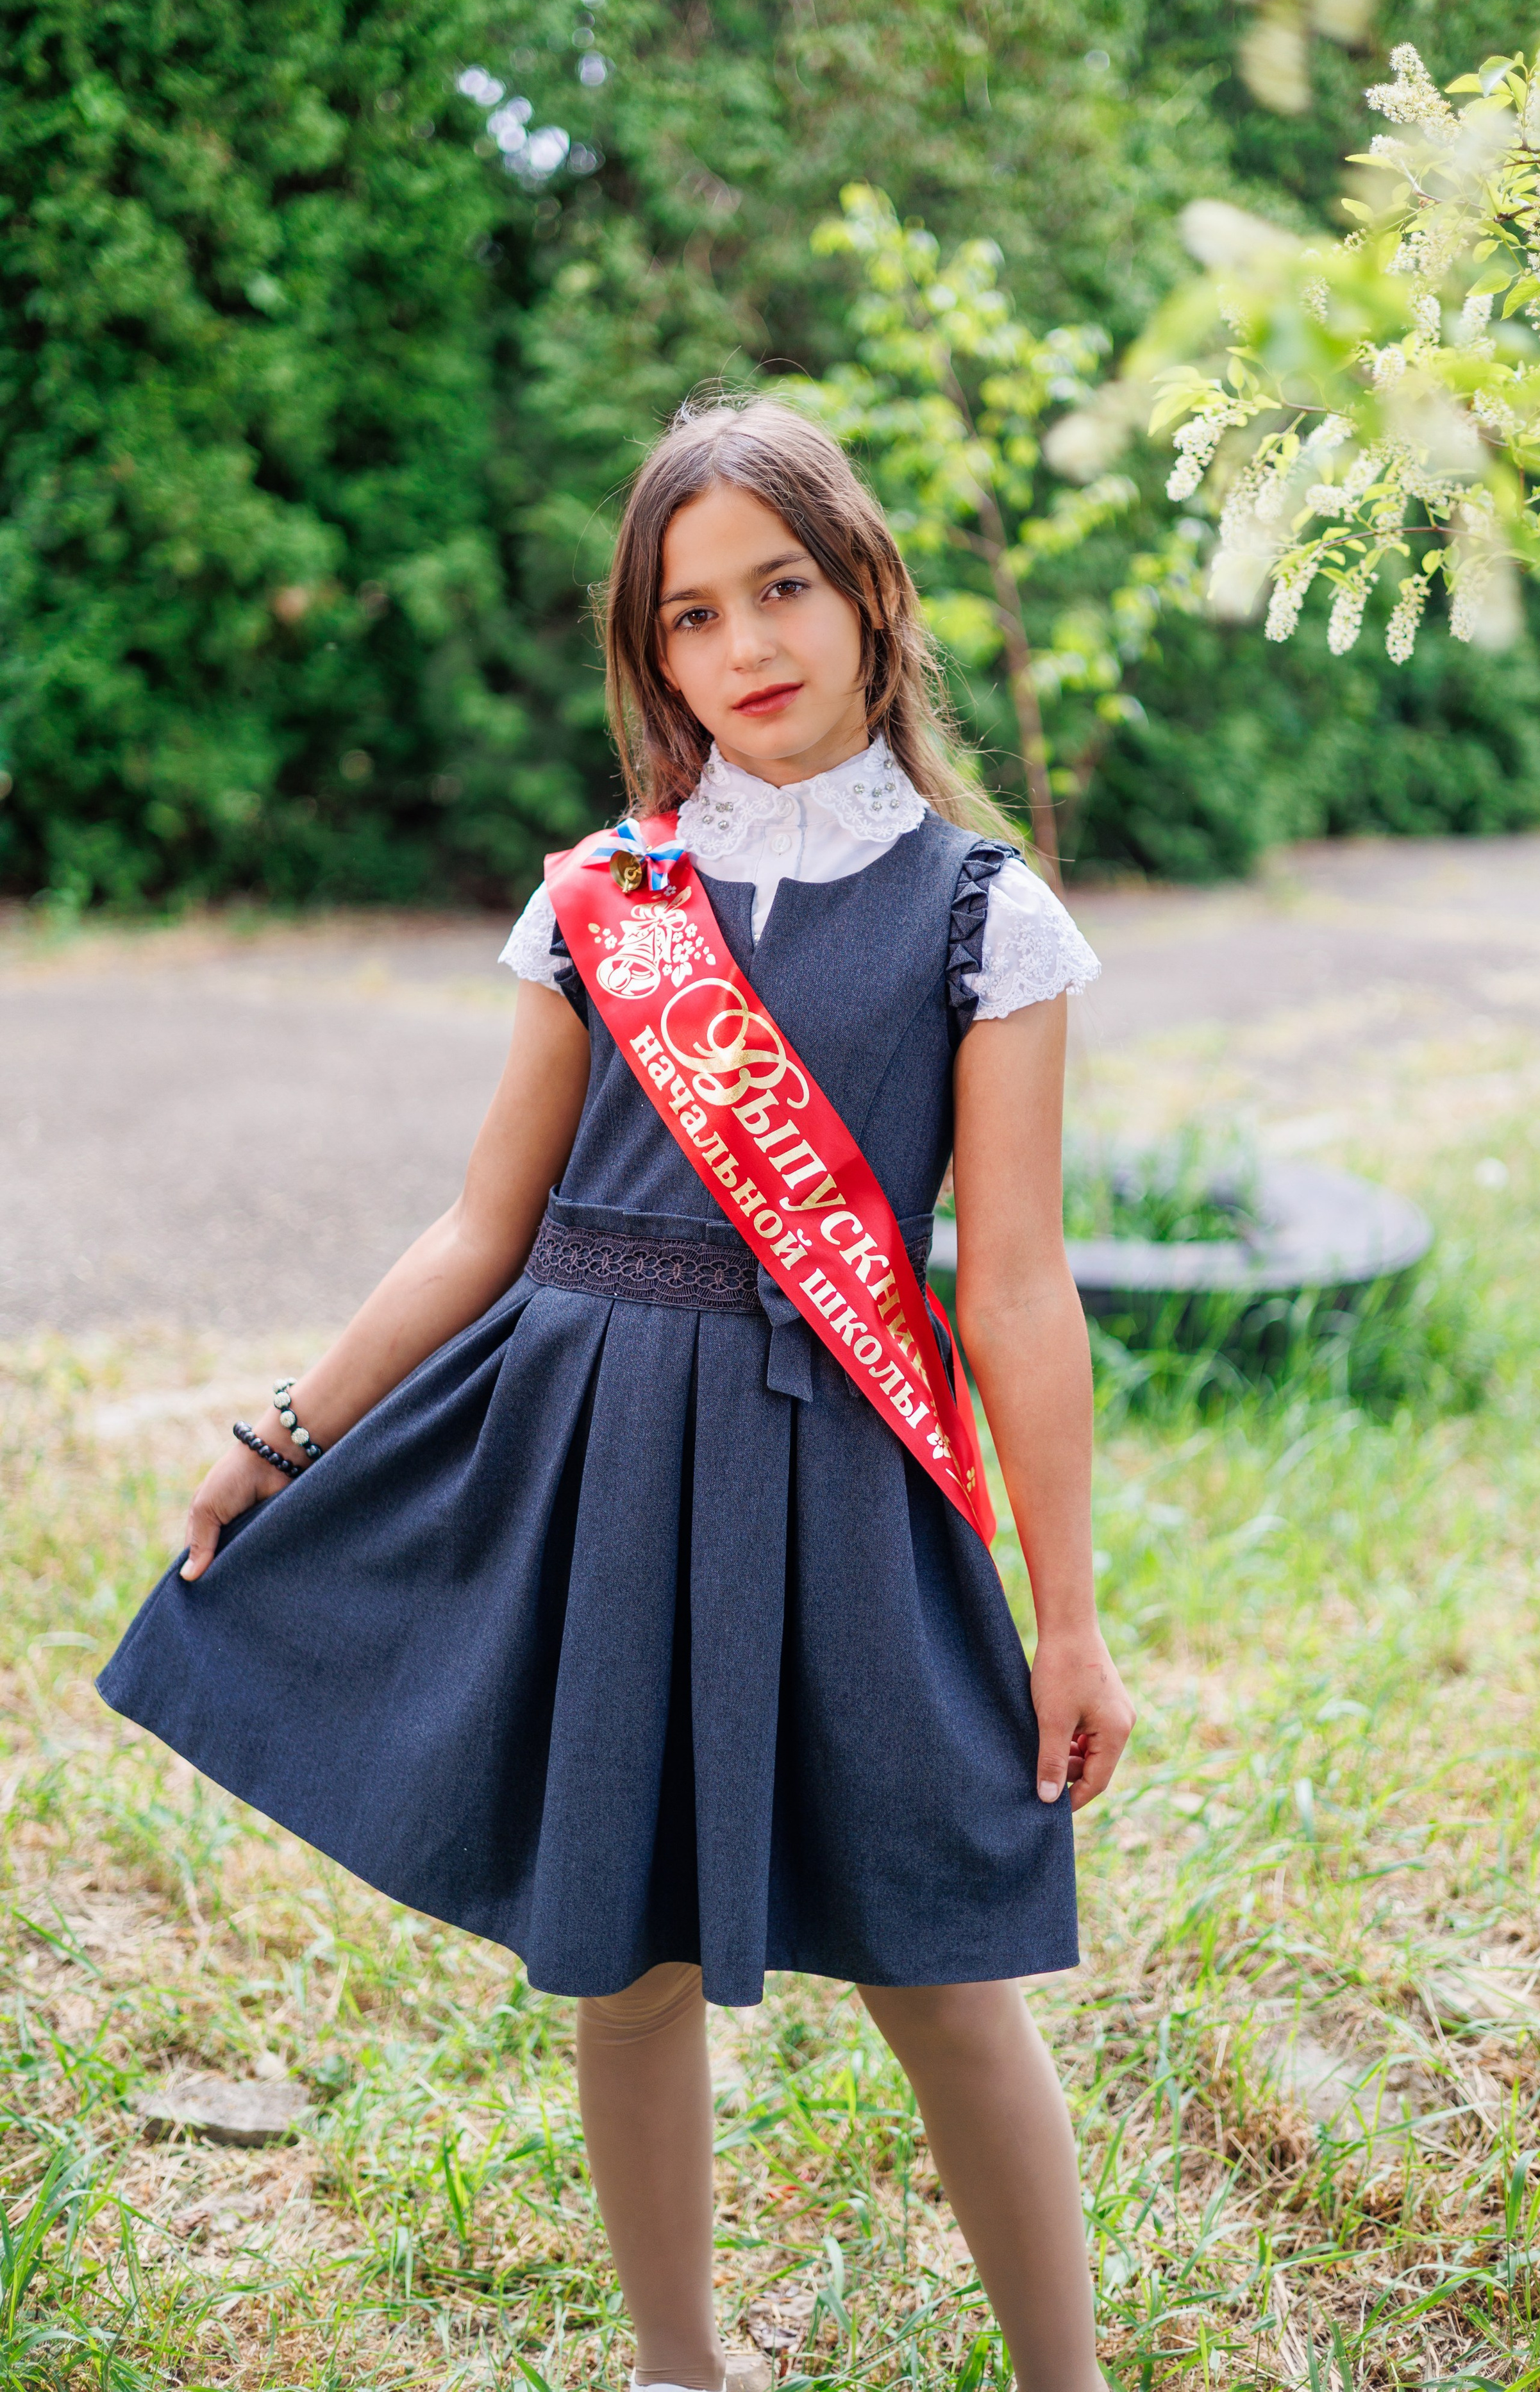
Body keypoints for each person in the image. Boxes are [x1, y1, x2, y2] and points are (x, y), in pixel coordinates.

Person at [99, 398, 1135, 2392]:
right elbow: (482, 1227)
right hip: (591, 1459)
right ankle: (681, 2369)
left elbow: (1011, 1283)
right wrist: (279, 1433)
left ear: (871, 598)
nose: (746, 646)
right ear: (649, 657)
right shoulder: (602, 900)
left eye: (783, 590)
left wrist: (1070, 1623)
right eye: (690, 618)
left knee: (945, 1955)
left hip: (842, 1472)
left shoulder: (987, 915)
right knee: (630, 1953)